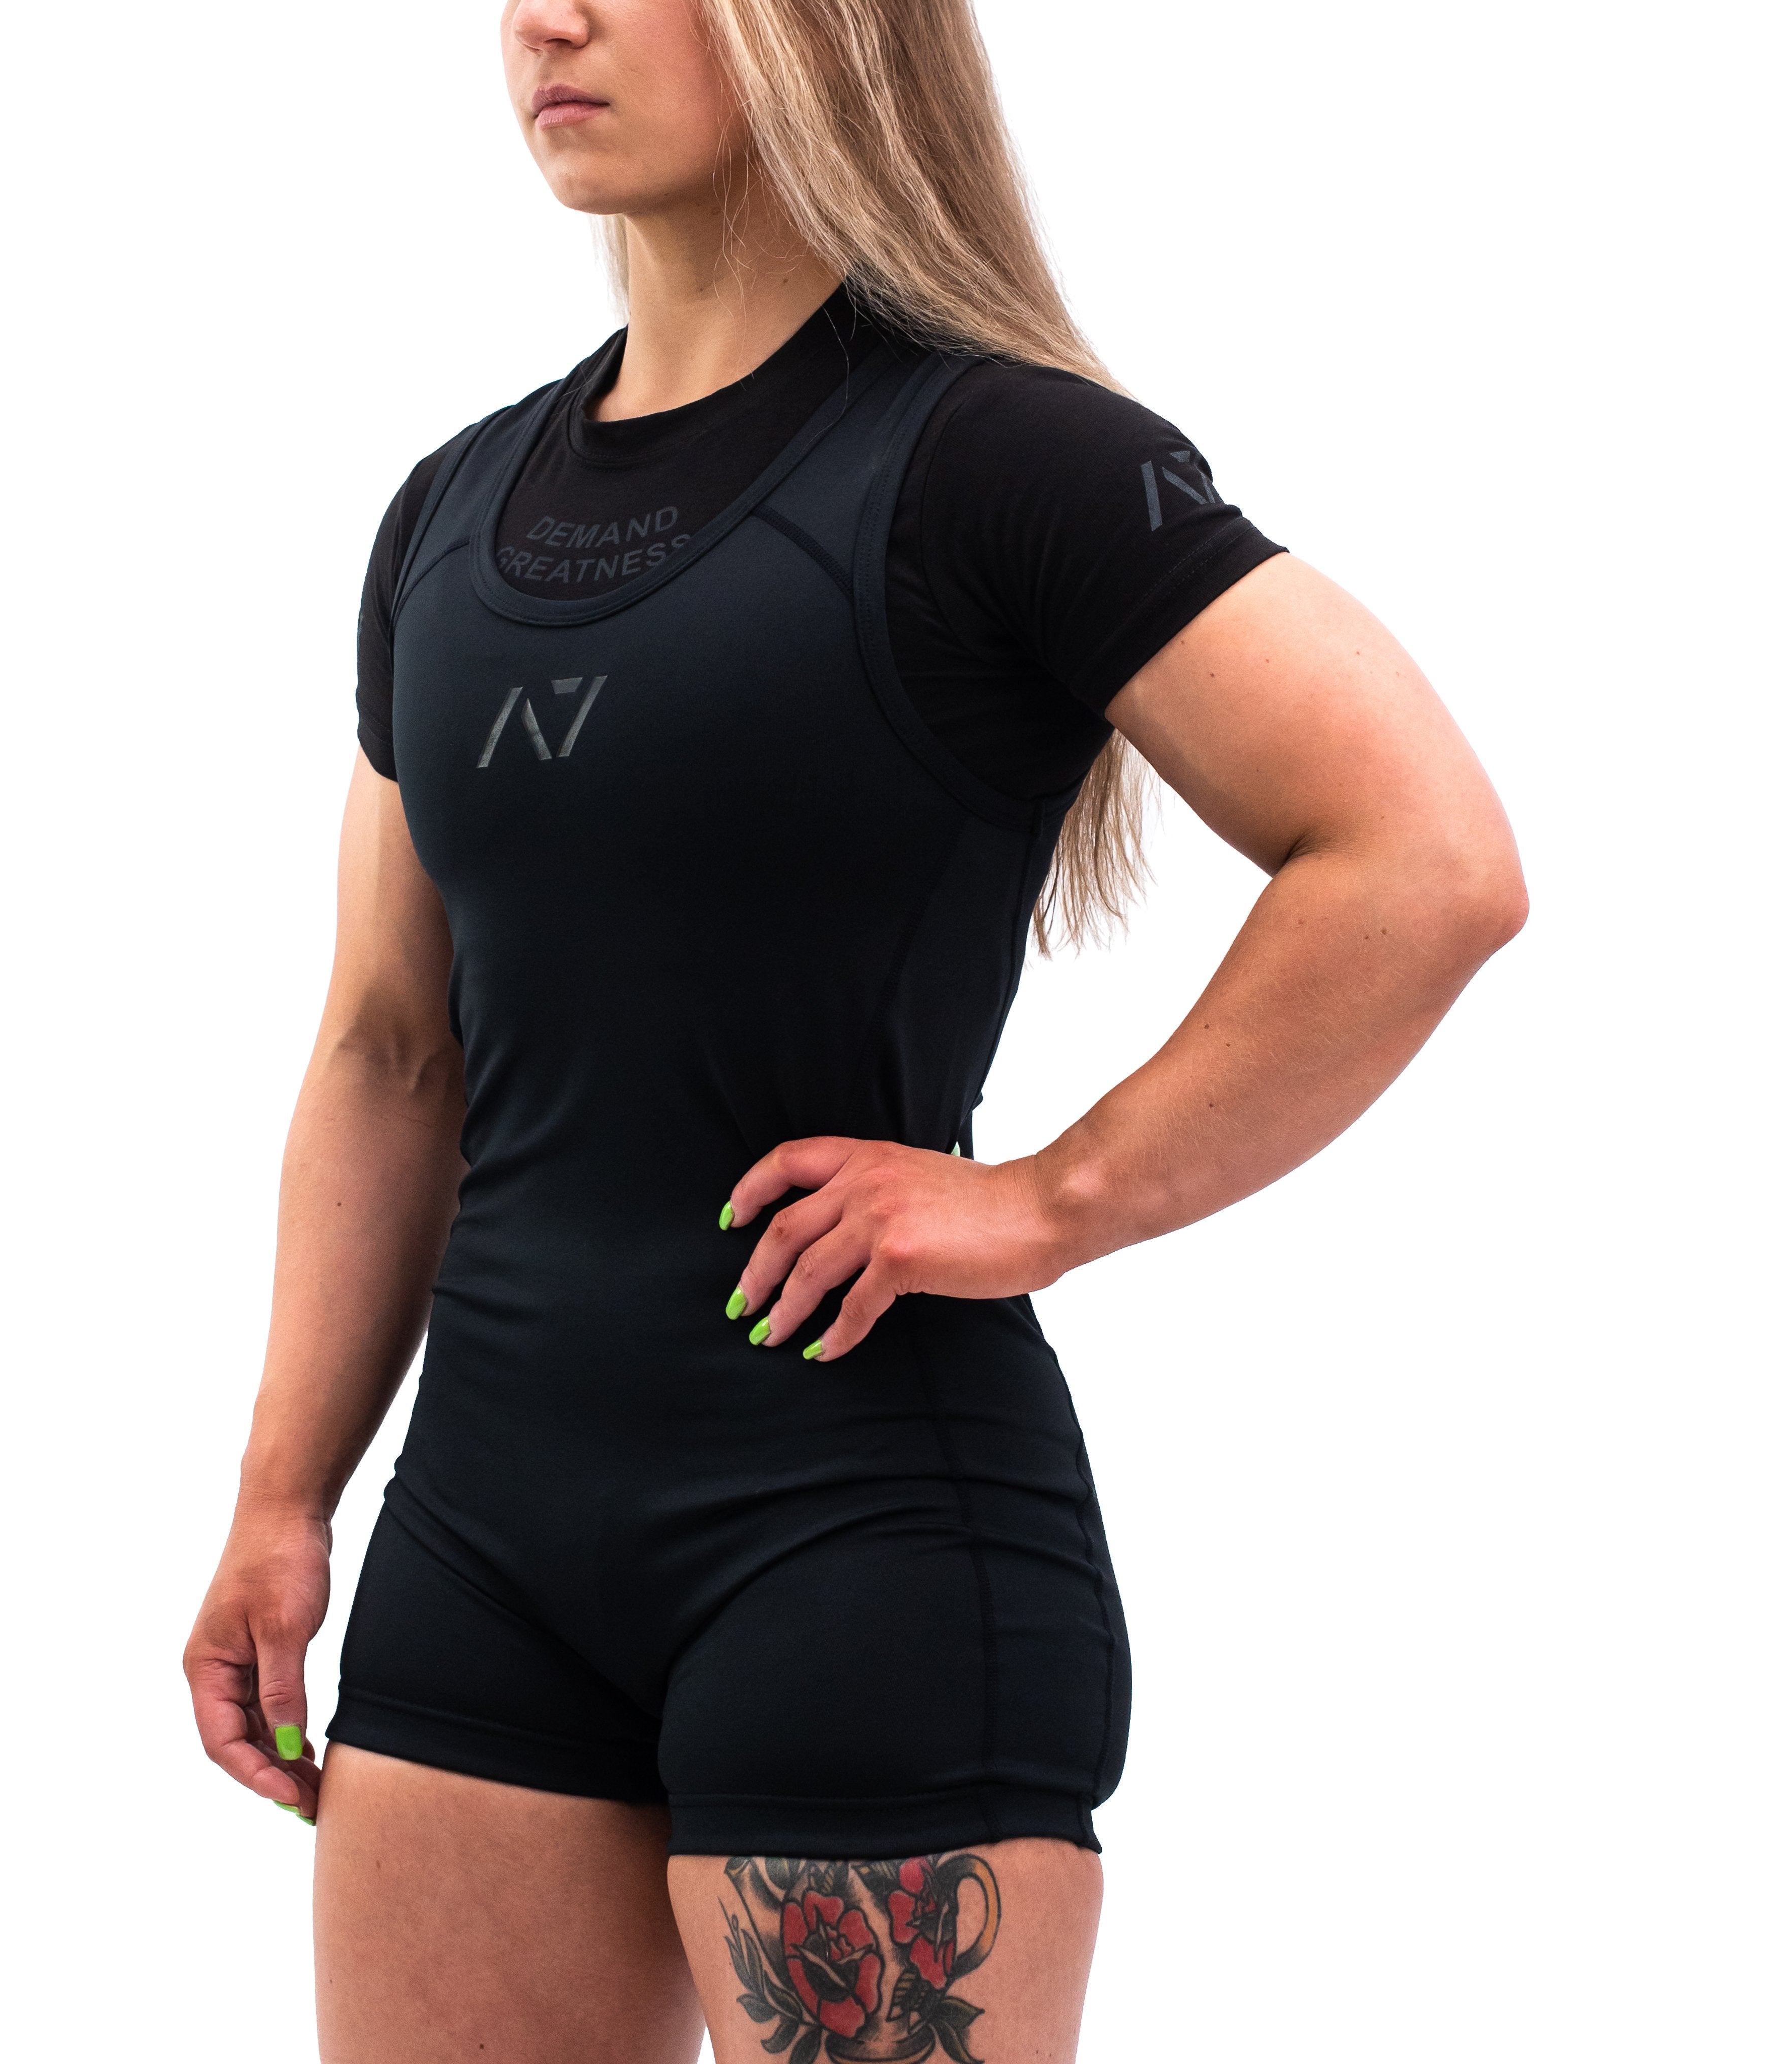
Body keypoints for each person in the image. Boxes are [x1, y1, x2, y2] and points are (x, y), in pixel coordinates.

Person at [183, 2, 1528, 2058]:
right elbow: (387, 1050)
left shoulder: (1003, 458)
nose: (545, 20)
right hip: (480, 1553)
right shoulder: (451, 512)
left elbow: (1425, 858)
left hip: (856, 1543)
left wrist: (1056, 1198)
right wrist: (286, 1492)